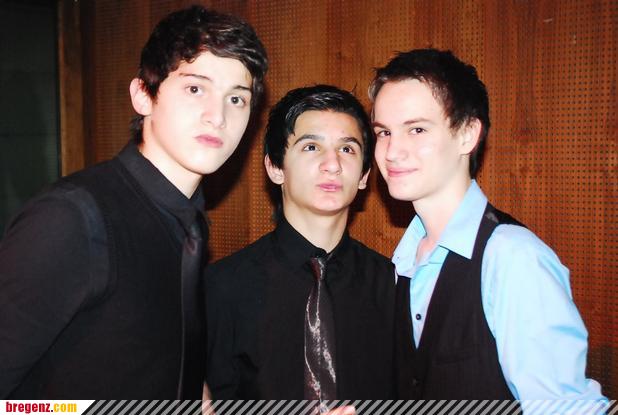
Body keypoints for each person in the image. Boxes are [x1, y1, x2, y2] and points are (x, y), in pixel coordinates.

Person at [0, 5, 267, 399]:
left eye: (237, 99)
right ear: (143, 96)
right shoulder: (73, 217)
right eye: (196, 89)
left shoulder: (190, 221)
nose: (218, 116)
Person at [369, 48, 607, 406]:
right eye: (384, 132)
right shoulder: (404, 260)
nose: (391, 151)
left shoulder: (513, 258)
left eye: (416, 129)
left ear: (467, 134)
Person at [205, 85, 396, 406]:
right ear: (275, 168)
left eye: (347, 149)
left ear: (364, 175)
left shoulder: (392, 284)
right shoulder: (222, 287)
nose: (332, 164)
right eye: (311, 147)